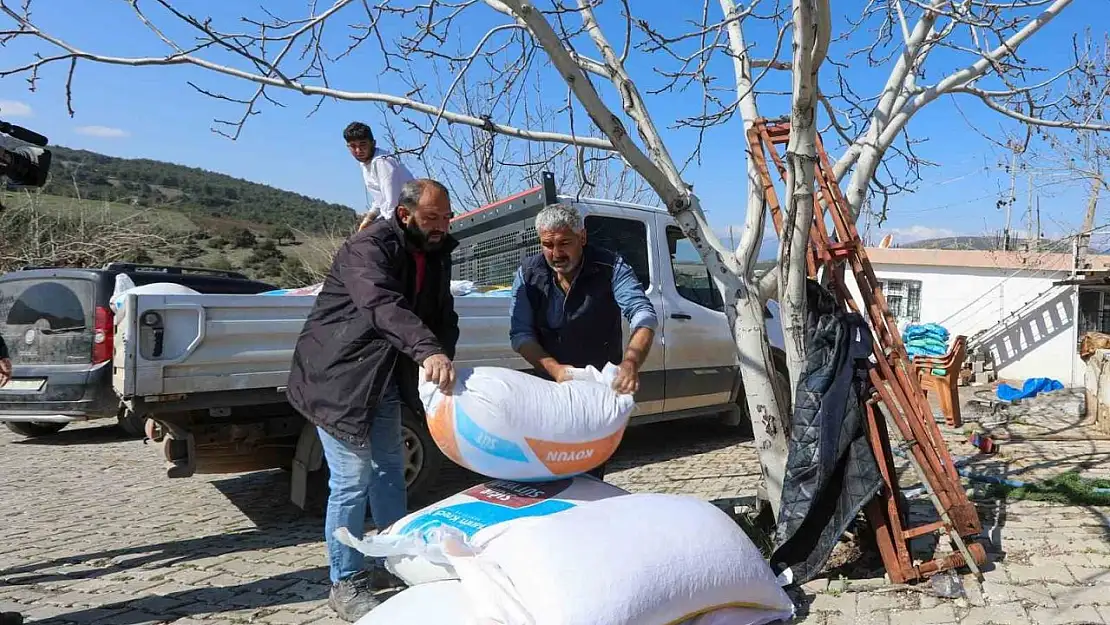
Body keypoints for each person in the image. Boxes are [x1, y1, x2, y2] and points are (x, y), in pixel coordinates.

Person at [285, 178, 459, 622]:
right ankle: (345, 582)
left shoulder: (436, 253)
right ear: (405, 215)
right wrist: (426, 350)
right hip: (338, 376)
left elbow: (442, 314)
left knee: (390, 473)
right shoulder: (368, 247)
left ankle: (393, 563)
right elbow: (381, 303)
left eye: (445, 217)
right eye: (431, 218)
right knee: (351, 479)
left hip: (380, 379)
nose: (440, 226)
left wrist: (443, 359)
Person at [508, 203, 657, 480]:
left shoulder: (611, 266)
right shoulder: (528, 273)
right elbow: (521, 334)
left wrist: (631, 362)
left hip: (595, 391)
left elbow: (643, 315)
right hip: (548, 388)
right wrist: (555, 370)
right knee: (545, 469)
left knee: (588, 472)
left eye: (564, 243)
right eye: (548, 245)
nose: (556, 254)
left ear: (583, 238)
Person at [343, 121, 415, 231]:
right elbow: (381, 199)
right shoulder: (365, 163)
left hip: (407, 218)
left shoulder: (382, 162)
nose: (358, 150)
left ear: (373, 143)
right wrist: (369, 218)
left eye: (363, 145)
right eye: (353, 146)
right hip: (394, 217)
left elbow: (393, 203)